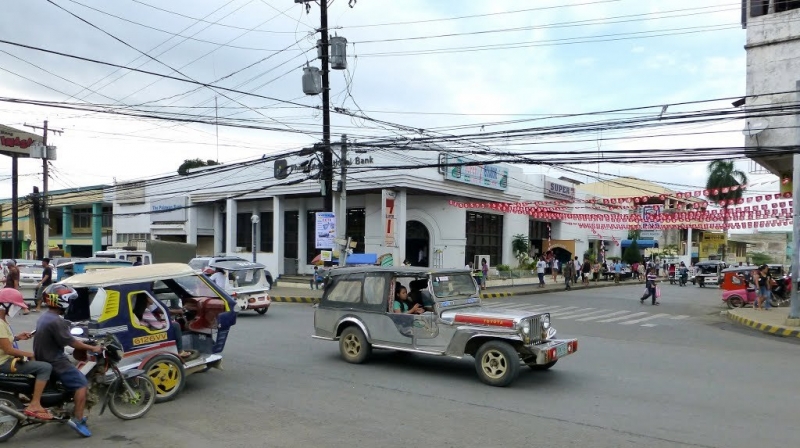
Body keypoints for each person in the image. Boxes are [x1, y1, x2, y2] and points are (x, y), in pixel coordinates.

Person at [34, 284, 102, 438]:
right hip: (55, 360)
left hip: (44, 357)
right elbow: (73, 343)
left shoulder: (45, 317)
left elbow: (65, 337)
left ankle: (62, 408)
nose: (71, 303)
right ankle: (78, 420)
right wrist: (93, 348)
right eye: (69, 300)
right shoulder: (57, 321)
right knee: (81, 384)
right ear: (62, 301)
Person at [0, 288, 53, 420]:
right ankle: (35, 404)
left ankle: (27, 394)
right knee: (45, 367)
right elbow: (8, 350)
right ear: (6, 305)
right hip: (3, 363)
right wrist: (29, 353)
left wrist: (17, 337)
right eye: (16, 305)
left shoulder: (3, 321)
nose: (18, 308)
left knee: (33, 366)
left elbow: (3, 342)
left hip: (5, 359)